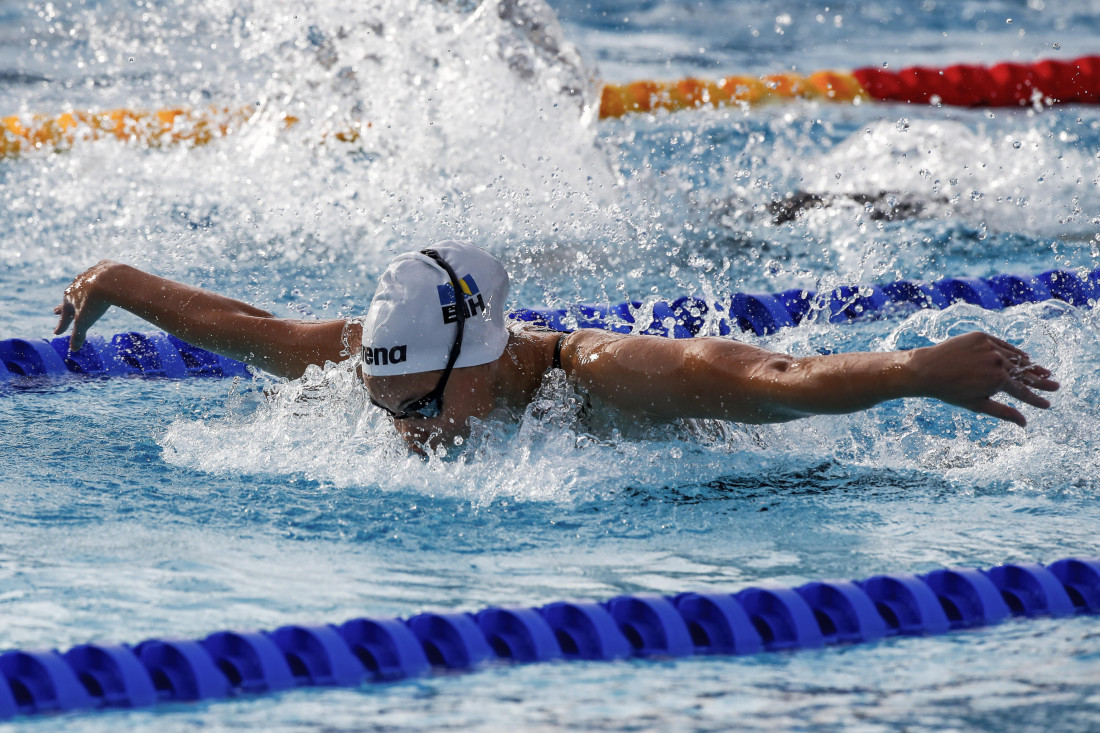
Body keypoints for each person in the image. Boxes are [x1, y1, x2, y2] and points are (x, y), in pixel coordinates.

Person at [54, 240, 1059, 451]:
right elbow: (246, 332)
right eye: (383, 401)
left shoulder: (604, 374)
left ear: (487, 361)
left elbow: (768, 376)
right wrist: (118, 282)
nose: (403, 427)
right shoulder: (387, 362)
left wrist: (913, 371)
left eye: (419, 405)